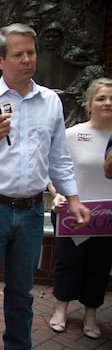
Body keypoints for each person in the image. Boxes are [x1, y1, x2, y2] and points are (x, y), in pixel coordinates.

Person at [0, 22, 91, 350]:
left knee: (21, 293)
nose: (27, 59)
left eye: (31, 52)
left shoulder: (50, 103)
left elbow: (58, 159)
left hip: (31, 212)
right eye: (18, 54)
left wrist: (73, 198)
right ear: (0, 60)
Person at [48, 77, 112, 339]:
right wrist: (56, 195)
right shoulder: (73, 134)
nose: (107, 103)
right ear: (89, 104)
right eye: (101, 98)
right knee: (67, 262)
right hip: (71, 213)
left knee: (100, 266)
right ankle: (61, 309)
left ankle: (90, 314)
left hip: (107, 217)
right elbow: (54, 171)